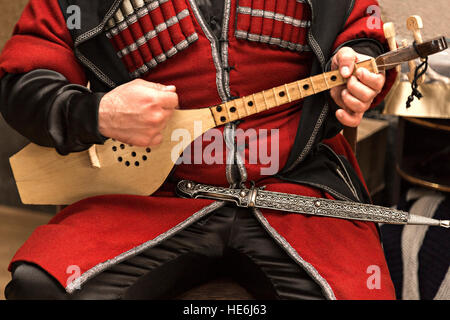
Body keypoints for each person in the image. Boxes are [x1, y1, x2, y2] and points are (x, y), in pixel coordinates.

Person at [0, 0, 397, 299]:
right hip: (148, 195)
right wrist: (96, 112)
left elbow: (361, 29)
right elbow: (24, 81)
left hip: (298, 189)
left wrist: (360, 63)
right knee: (40, 287)